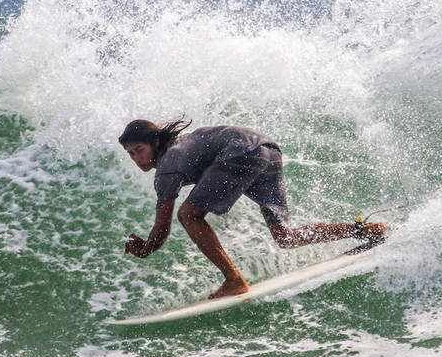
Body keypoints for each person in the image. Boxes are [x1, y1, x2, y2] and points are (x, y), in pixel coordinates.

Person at [119, 119, 386, 299]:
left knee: (187, 215)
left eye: (139, 150)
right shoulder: (185, 146)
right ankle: (365, 230)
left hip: (240, 152)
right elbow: (211, 174)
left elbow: (162, 227)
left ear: (155, 142)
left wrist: (146, 248)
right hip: (268, 149)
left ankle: (233, 280)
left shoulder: (168, 165)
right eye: (130, 154)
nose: (136, 159)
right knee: (286, 237)